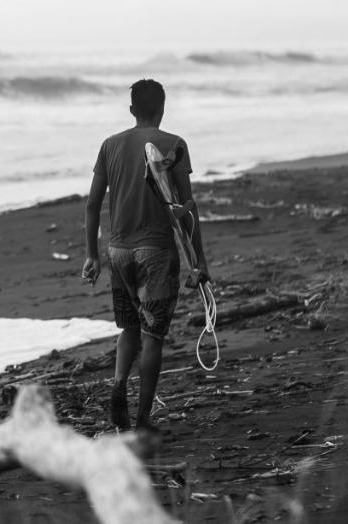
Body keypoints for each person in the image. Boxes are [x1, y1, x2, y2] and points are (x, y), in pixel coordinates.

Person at [81, 79, 210, 433]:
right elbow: (186, 209)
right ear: (162, 108)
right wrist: (199, 262)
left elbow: (92, 204)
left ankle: (120, 384)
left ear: (131, 110)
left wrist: (91, 255)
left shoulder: (109, 145)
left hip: (117, 252)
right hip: (156, 252)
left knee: (129, 329)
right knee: (153, 335)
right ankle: (142, 419)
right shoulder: (174, 145)